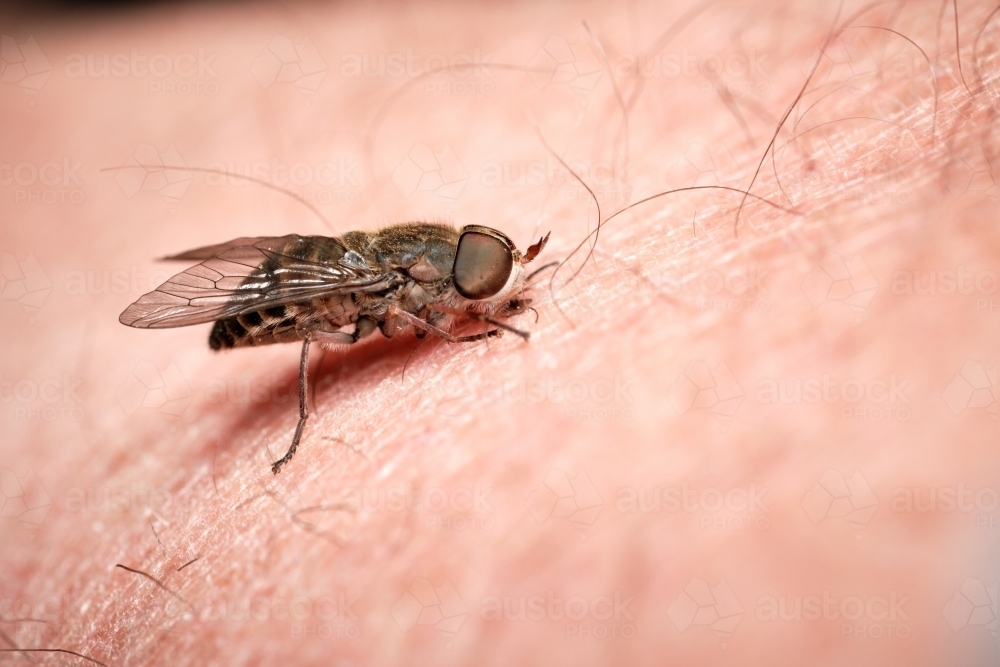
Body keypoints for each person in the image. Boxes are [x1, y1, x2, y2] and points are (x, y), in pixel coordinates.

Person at [2, 0, 998, 664]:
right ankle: (298, 423)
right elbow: (346, 297)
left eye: (488, 273)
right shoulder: (396, 282)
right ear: (445, 272)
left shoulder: (438, 269)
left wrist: (479, 309)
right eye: (482, 275)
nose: (492, 283)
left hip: (324, 257)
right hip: (301, 279)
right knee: (315, 324)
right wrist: (460, 329)